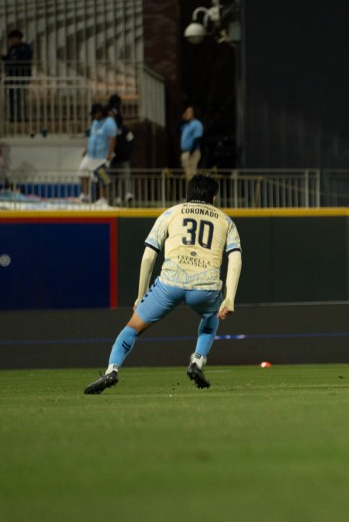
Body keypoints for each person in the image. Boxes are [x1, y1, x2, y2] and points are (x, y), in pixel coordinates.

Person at [84, 174, 243, 394]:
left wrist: (141, 295)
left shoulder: (171, 213)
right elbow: (235, 258)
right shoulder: (226, 221)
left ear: (188, 194)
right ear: (214, 198)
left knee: (132, 327)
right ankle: (197, 361)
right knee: (211, 317)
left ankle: (112, 370)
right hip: (205, 286)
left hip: (170, 283)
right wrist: (230, 298)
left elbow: (149, 256)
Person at [78, 103, 117, 204]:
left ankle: (104, 198)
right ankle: (85, 195)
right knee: (82, 170)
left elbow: (112, 139)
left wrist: (109, 154)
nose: (93, 116)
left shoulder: (109, 123)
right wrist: (86, 149)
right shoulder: (95, 123)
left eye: (94, 114)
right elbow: (92, 137)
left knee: (103, 177)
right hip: (91, 155)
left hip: (101, 156)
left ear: (100, 113)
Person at [107, 93, 134, 205]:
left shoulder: (124, 129)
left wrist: (127, 152)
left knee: (125, 177)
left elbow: (131, 140)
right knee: (114, 179)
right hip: (113, 159)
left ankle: (127, 194)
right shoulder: (109, 127)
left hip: (124, 159)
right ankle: (116, 197)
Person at [2, 29, 33, 122]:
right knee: (11, 97)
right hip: (11, 75)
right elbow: (9, 60)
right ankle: (12, 115)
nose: (12, 41)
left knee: (20, 96)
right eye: (11, 39)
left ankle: (21, 116)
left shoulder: (25, 48)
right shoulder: (11, 49)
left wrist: (14, 60)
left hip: (21, 75)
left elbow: (26, 59)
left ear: (19, 38)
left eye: (13, 38)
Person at [179, 106, 204, 179]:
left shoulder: (197, 124)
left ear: (193, 113)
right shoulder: (186, 125)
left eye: (189, 112)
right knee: (188, 174)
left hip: (192, 152)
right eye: (186, 112)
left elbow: (198, 138)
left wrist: (191, 151)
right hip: (185, 152)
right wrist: (182, 119)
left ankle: (194, 186)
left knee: (192, 173)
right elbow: (176, 129)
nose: (187, 113)